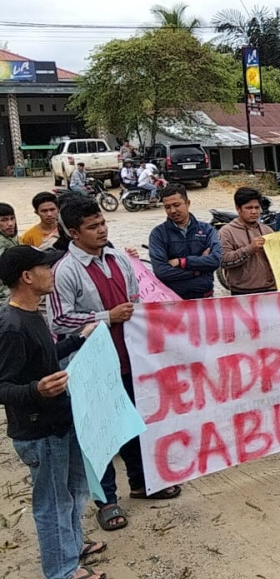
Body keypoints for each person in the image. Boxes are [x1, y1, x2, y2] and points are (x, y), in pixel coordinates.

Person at [49, 197, 183, 531]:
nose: (101, 230)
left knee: (134, 426)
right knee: (99, 435)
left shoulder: (119, 260)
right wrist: (107, 317)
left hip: (128, 358)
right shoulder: (64, 271)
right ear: (73, 233)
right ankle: (106, 501)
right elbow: (59, 320)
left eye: (103, 223)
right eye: (92, 227)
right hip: (89, 366)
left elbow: (136, 299)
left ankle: (140, 483)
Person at [1, 245, 110, 579]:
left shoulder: (33, 313)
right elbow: (3, 386)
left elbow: (45, 358)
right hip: (40, 432)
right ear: (27, 276)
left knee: (75, 491)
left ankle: (72, 547)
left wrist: (78, 338)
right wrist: (37, 390)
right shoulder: (11, 326)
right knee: (52, 503)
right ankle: (62, 571)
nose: (53, 273)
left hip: (62, 421)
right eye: (45, 268)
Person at [148, 184, 222, 300]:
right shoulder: (158, 234)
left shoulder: (207, 230)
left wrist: (182, 262)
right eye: (167, 207)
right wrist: (198, 271)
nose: (172, 211)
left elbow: (215, 261)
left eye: (176, 205)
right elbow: (161, 271)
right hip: (173, 300)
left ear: (188, 203)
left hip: (205, 297)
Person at [219, 187, 276, 295]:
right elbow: (223, 261)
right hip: (242, 292)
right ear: (238, 208)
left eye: (257, 207)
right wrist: (250, 248)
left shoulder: (267, 230)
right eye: (249, 208)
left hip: (270, 289)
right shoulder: (227, 232)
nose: (254, 212)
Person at [0, 202, 18, 304]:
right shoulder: (3, 243)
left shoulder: (10, 239)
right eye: (4, 220)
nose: (10, 224)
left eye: (12, 218)